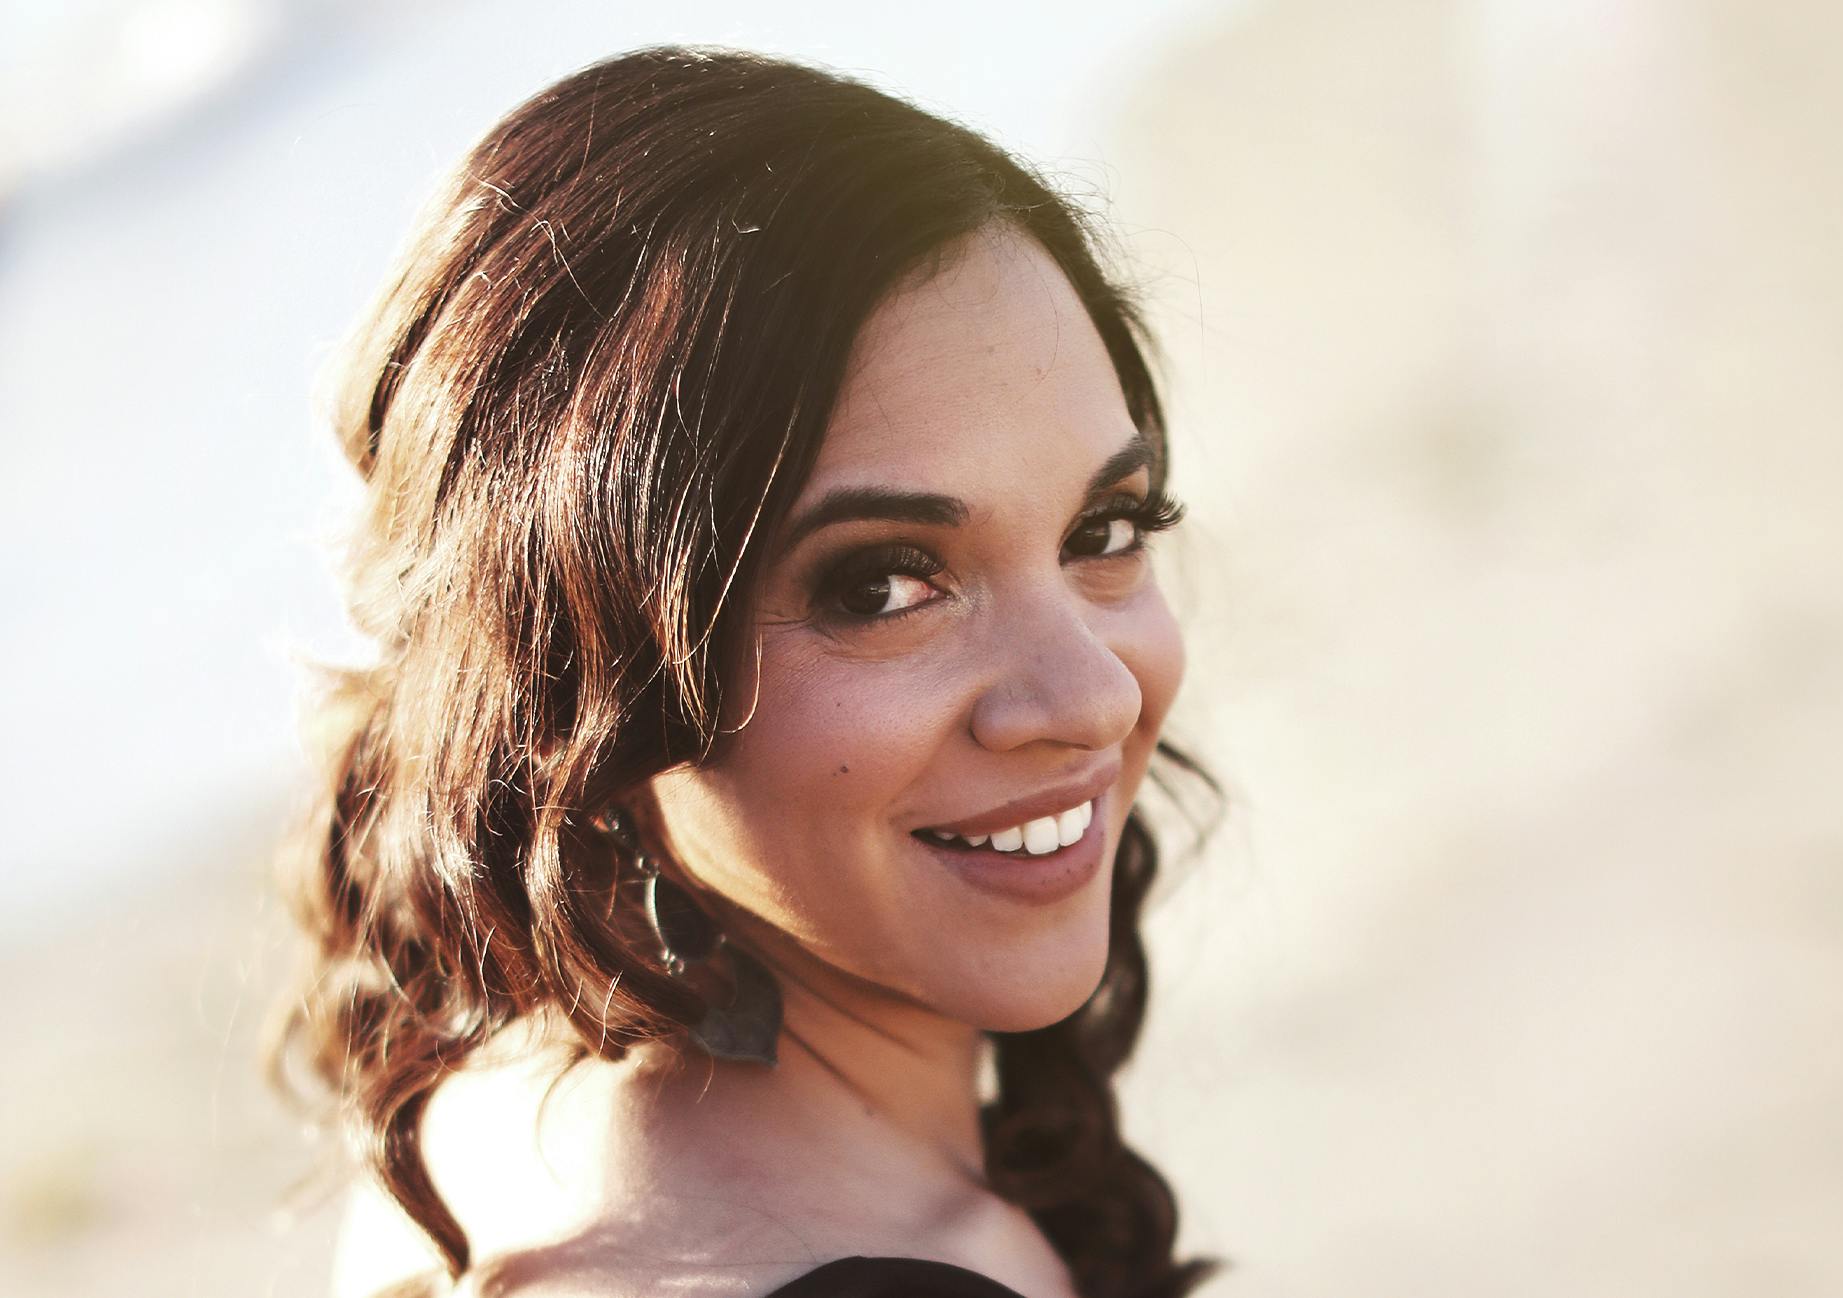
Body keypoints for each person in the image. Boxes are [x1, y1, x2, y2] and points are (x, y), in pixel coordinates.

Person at [276, 45, 1218, 1298]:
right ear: (570, 675)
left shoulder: (483, 1100)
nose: (1093, 695)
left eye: (1100, 532)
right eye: (881, 583)